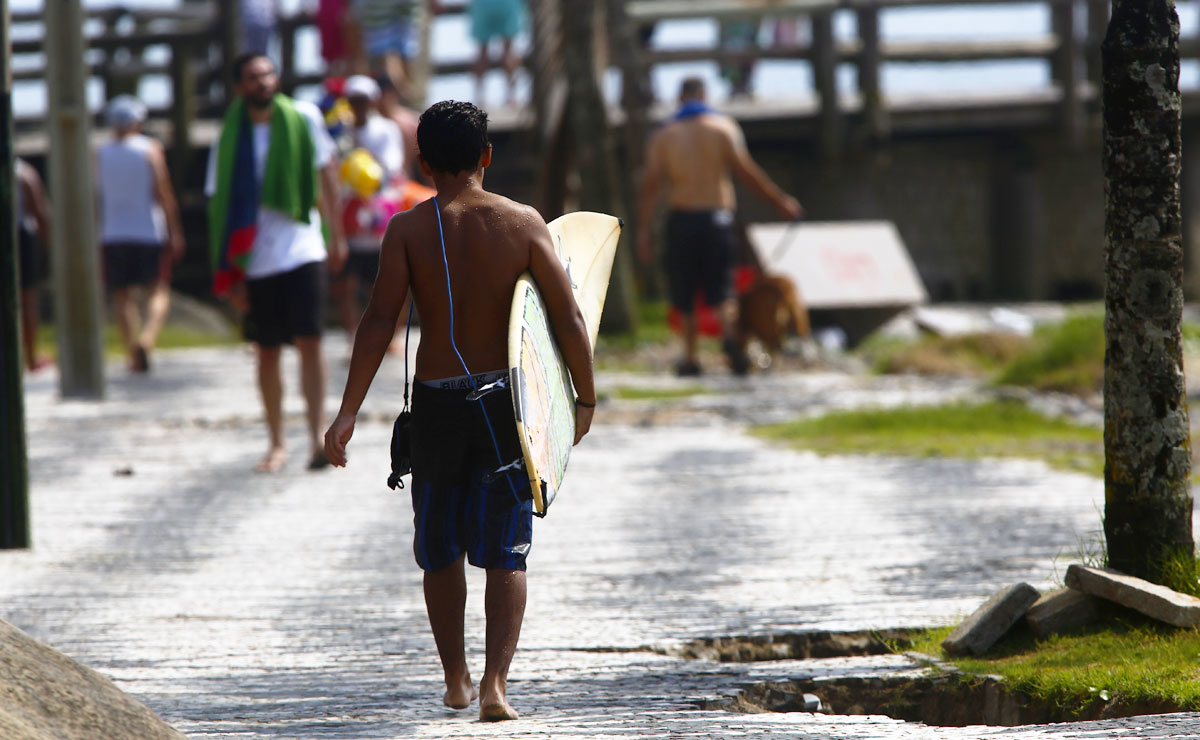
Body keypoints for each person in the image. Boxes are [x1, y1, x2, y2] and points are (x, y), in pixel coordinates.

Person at [324, 100, 595, 721]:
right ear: (487, 156)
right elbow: (568, 318)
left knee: (439, 547)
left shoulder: (407, 230)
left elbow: (378, 322)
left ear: (423, 162)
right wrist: (583, 396)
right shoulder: (523, 223)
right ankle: (496, 685)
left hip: (437, 407)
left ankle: (455, 679)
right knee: (507, 550)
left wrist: (347, 413)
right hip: (506, 406)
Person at [206, 53, 348, 472]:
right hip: (256, 257)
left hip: (303, 244)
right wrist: (228, 269)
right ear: (239, 87)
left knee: (310, 340)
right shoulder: (229, 136)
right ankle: (276, 443)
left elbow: (326, 176)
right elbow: (218, 202)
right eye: (253, 77)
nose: (264, 82)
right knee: (267, 351)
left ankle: (316, 436)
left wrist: (337, 235)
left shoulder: (303, 117)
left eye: (268, 74)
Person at [636, 76, 803, 377]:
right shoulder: (724, 128)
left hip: (682, 219)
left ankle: (690, 357)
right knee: (723, 288)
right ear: (704, 95)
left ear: (680, 98)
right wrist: (780, 202)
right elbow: (747, 172)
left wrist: (644, 229)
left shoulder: (664, 135)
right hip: (718, 218)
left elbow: (651, 186)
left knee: (684, 289)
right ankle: (730, 341)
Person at [95, 95, 186, 373]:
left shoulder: (99, 153)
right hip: (148, 230)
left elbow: (95, 197)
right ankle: (147, 338)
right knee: (158, 290)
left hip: (113, 232)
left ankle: (130, 352)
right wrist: (175, 229)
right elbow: (164, 191)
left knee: (122, 296)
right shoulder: (150, 149)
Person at [335, 75, 410, 347]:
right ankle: (353, 337)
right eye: (354, 100)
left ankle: (390, 337)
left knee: (386, 282)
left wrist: (361, 167)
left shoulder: (386, 129)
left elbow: (390, 168)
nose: (358, 106)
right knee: (346, 284)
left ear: (373, 101)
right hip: (349, 214)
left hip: (380, 215)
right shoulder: (339, 131)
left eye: (363, 100)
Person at [14, 158, 51, 372]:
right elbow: (40, 212)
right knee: (28, 299)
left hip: (19, 236)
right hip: (22, 237)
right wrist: (48, 248)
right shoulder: (23, 172)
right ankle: (31, 356)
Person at [468, 0, 525, 106]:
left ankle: (479, 98)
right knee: (509, 51)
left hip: (483, 4)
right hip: (507, 4)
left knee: (482, 53)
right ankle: (511, 96)